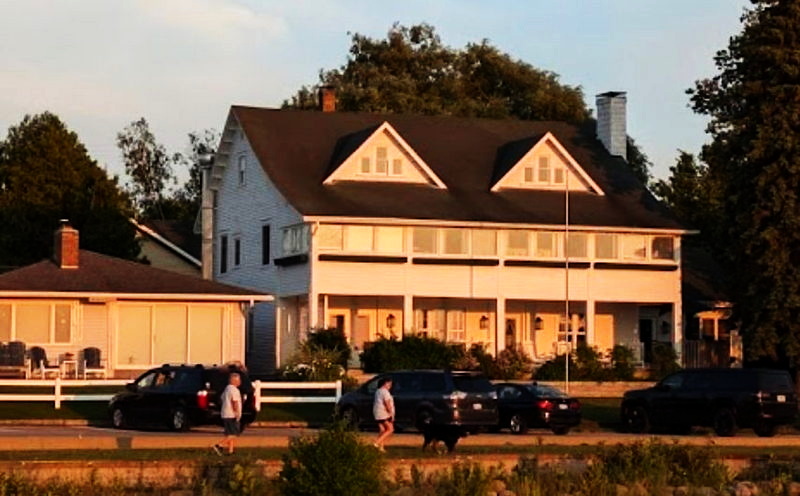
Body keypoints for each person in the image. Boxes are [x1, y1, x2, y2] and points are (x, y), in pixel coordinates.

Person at [212, 372, 242, 456]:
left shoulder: (227, 389)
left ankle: (231, 451)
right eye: (239, 380)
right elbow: (234, 401)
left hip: (225, 413)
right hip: (231, 414)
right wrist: (236, 412)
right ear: (234, 380)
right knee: (234, 434)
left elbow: (222, 399)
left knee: (229, 433)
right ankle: (219, 445)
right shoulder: (234, 390)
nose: (240, 382)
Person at [373, 376, 394, 452]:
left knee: (382, 430)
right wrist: (390, 413)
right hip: (383, 413)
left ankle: (381, 447)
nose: (390, 386)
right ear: (385, 383)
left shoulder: (378, 391)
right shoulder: (385, 392)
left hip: (377, 412)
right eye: (389, 384)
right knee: (390, 429)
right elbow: (387, 403)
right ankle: (376, 443)